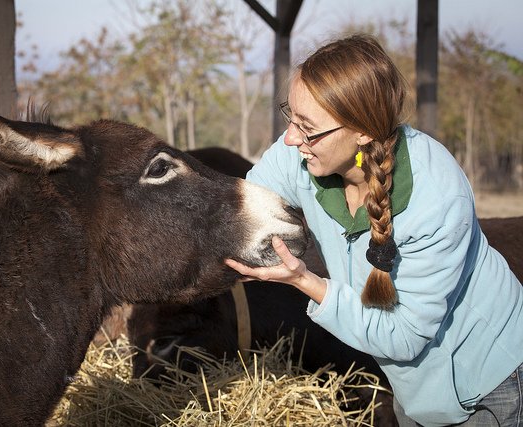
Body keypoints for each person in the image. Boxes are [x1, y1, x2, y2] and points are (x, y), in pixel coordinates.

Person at [224, 34, 523, 426]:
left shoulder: (435, 198)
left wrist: (305, 281)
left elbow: (403, 335)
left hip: (486, 380)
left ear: (362, 131)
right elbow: (246, 205)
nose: (291, 138)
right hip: (414, 385)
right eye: (290, 117)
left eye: (308, 128)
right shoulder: (298, 155)